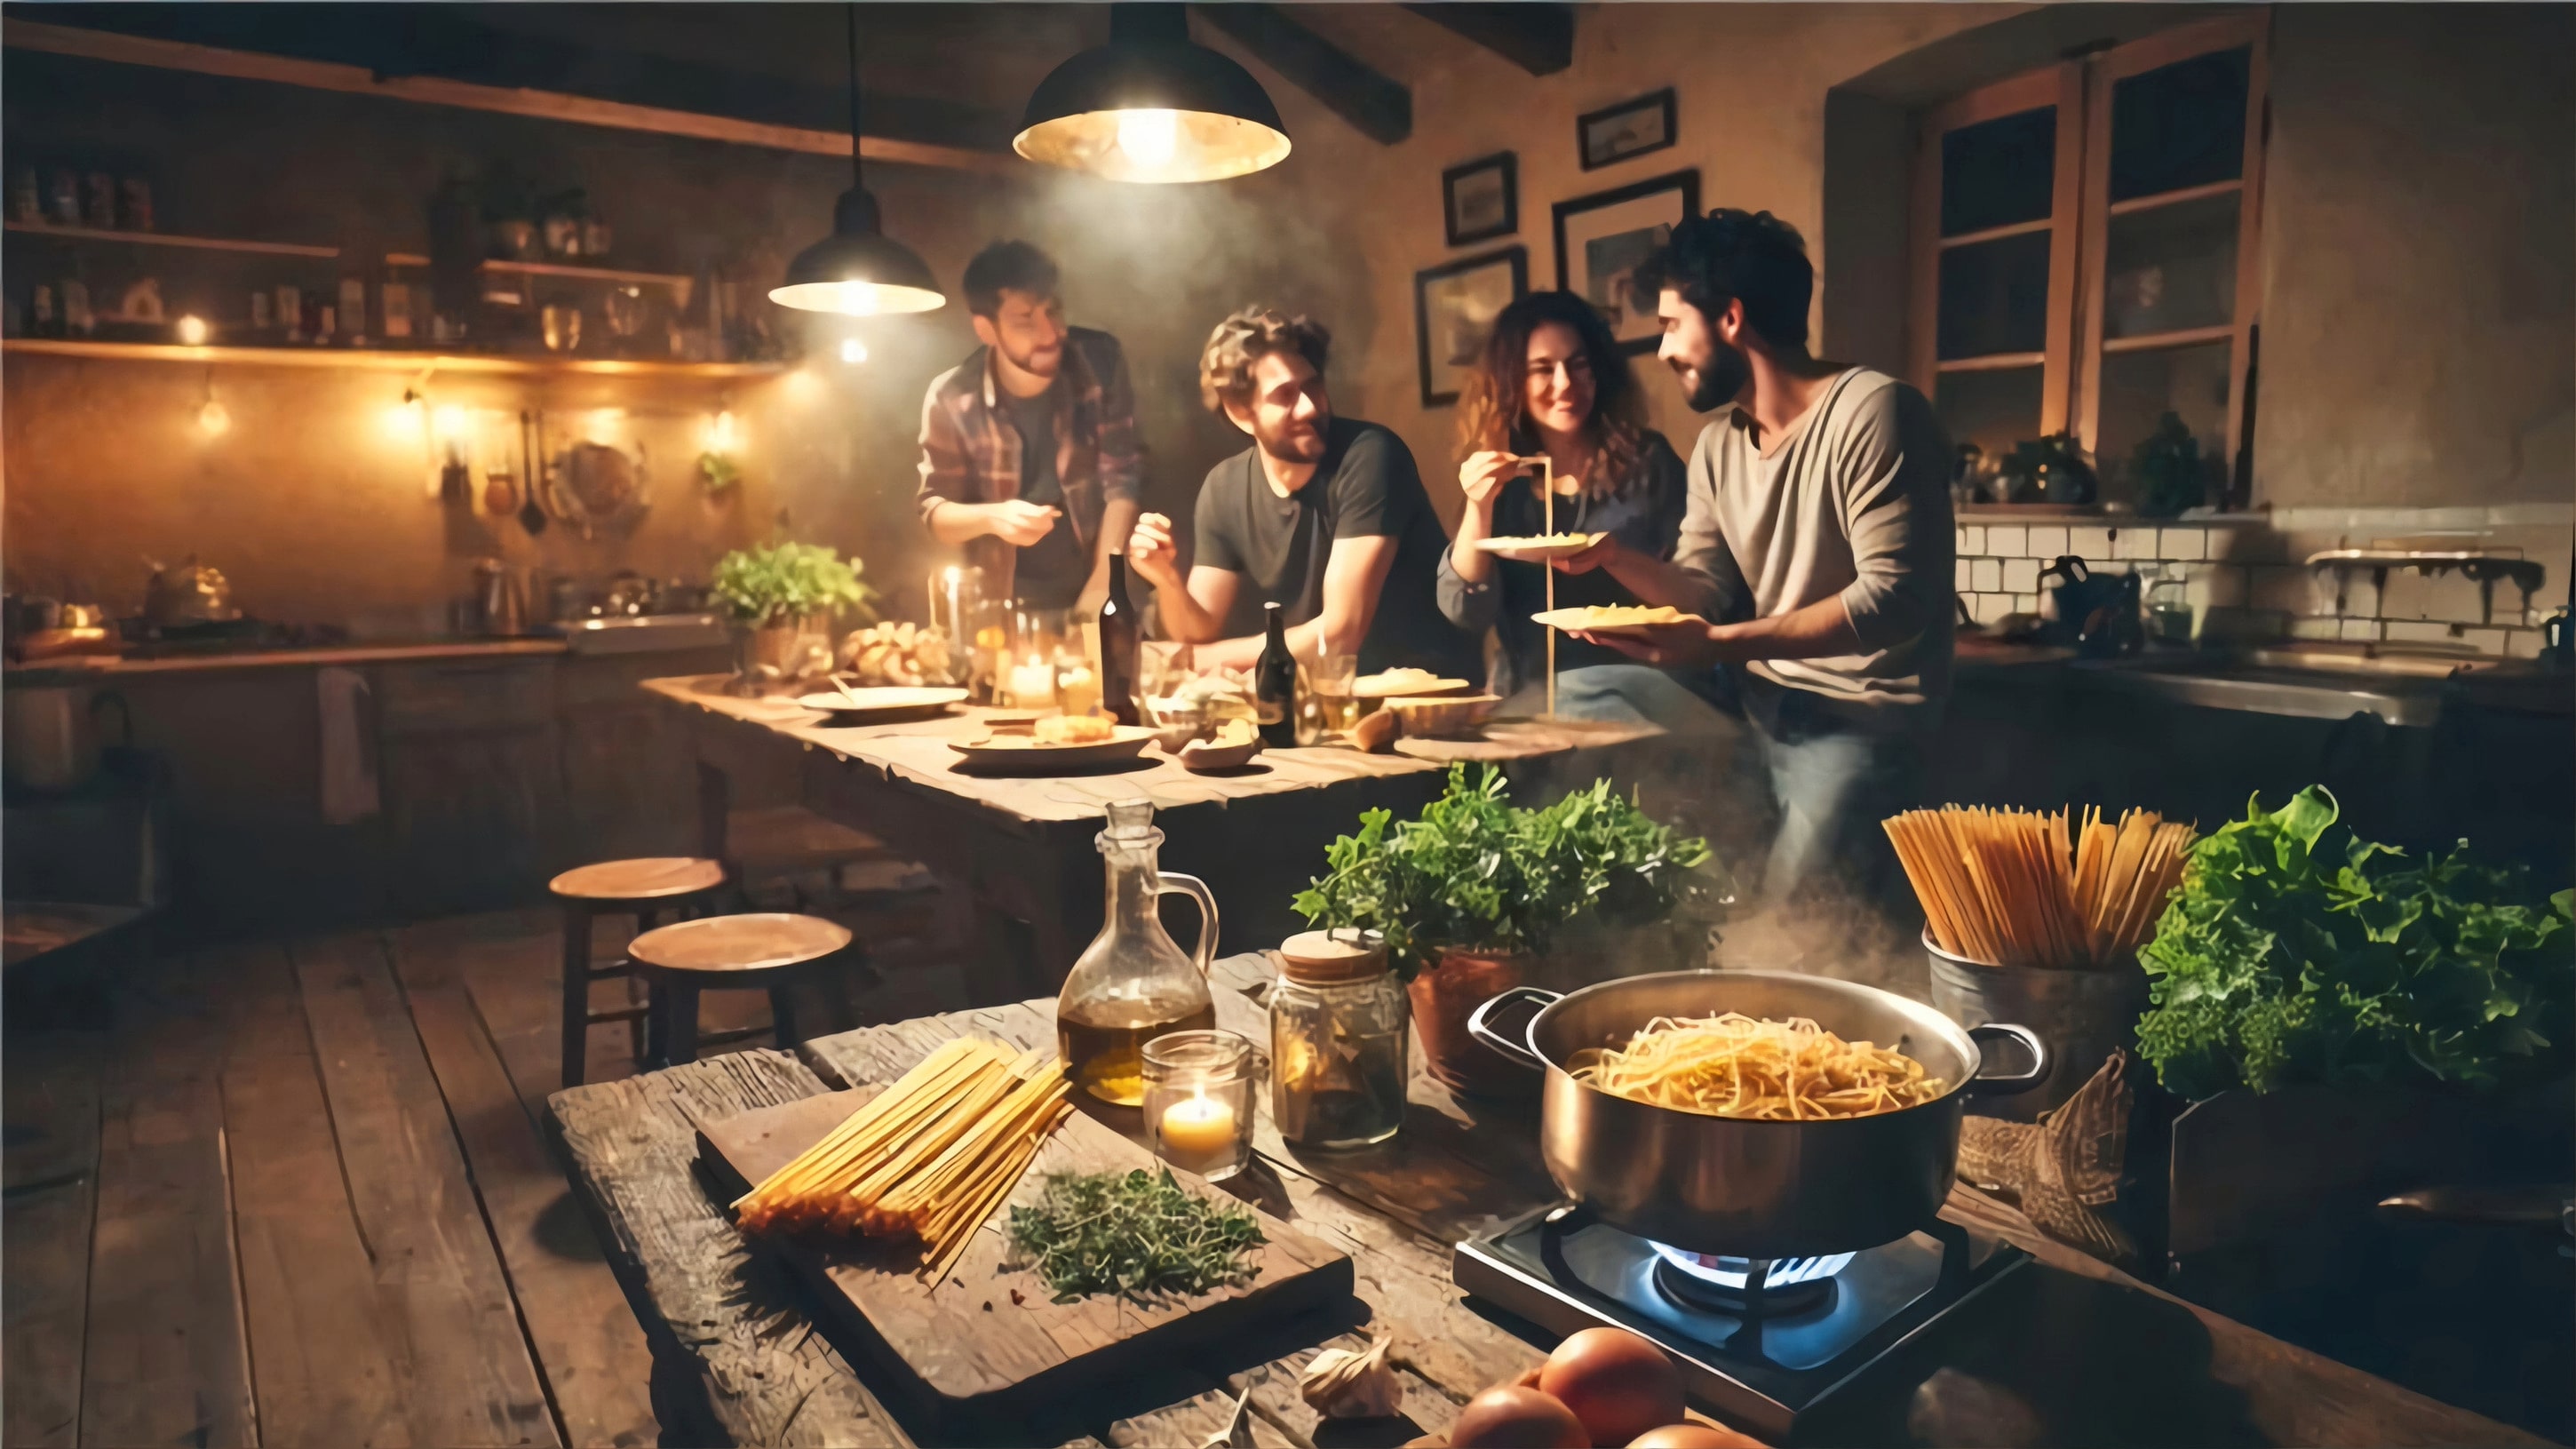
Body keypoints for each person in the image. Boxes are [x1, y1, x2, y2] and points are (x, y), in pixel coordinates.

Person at [1562, 209, 1954, 902]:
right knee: (1582, 692)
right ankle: (1704, 890)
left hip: (1855, 723)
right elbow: (1705, 587)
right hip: (1758, 706)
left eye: (1670, 325)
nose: (1661, 352)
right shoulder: (1720, 445)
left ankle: (1753, 919)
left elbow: (1895, 599)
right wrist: (1613, 557)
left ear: (1732, 319)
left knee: (1785, 929)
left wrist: (1720, 645)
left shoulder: (1874, 412)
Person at [1128, 306, 1480, 679]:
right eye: (1285, 395)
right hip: (1326, 702)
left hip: (1426, 699)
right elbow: (1198, 630)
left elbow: (1341, 633)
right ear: (1238, 411)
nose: (1310, 407)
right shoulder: (1223, 487)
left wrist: (1195, 661)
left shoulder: (1371, 455)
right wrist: (1165, 579)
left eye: (1312, 386)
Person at [1435, 290, 1710, 728]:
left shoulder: (1646, 464)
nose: (1564, 384)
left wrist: (1615, 557)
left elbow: (1696, 598)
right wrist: (1478, 505)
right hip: (1531, 701)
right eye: (1542, 369)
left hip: (1645, 695)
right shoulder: (1504, 479)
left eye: (1578, 364)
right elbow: (1464, 610)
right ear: (1512, 383)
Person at [915, 241, 1140, 614]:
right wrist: (992, 516)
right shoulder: (952, 397)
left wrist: (1104, 585)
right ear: (987, 329)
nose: (1050, 333)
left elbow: (1123, 479)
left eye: (1053, 312)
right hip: (1001, 602)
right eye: (1026, 319)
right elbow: (934, 511)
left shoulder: (1099, 362)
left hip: (1098, 582)